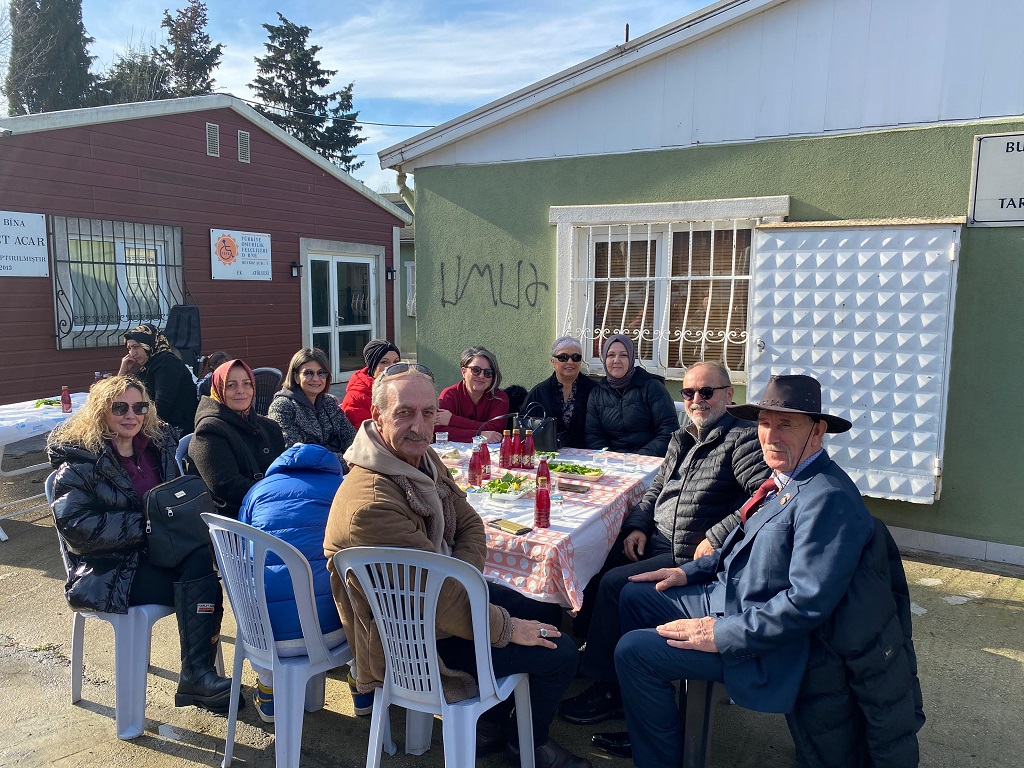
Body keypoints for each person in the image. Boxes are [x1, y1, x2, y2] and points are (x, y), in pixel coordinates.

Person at [324, 364, 592, 768]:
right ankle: (527, 745)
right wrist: (505, 626)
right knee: (560, 651)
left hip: (436, 605)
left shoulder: (418, 457)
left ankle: (490, 728)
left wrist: (458, 575)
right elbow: (439, 601)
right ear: (376, 417)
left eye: (428, 412)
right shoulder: (372, 503)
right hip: (412, 642)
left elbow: (470, 523)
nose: (420, 425)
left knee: (543, 608)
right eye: (405, 413)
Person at [607, 375, 876, 767]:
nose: (771, 435)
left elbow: (805, 605)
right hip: (724, 597)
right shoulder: (784, 479)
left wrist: (719, 633)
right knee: (634, 595)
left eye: (786, 424)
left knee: (633, 652)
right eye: (765, 423)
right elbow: (739, 540)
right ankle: (654, 725)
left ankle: (662, 758)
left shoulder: (827, 497)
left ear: (817, 432)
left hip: (760, 642)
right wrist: (690, 572)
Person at [560, 361, 770, 735]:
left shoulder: (742, 439)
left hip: (688, 552)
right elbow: (654, 491)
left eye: (706, 392)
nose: (697, 400)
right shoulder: (681, 437)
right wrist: (638, 525)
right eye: (689, 393)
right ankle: (595, 656)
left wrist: (718, 534)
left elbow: (763, 497)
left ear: (728, 395)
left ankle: (612, 691)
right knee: (590, 558)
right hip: (657, 537)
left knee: (614, 585)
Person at [47, 375, 233, 713]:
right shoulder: (80, 462)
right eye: (120, 408)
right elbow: (76, 528)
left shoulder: (156, 449)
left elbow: (174, 502)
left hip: (159, 554)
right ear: (101, 411)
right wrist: (148, 525)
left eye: (139, 407)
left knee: (201, 565)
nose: (131, 415)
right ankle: (198, 675)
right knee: (201, 582)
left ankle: (197, 674)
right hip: (110, 569)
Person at [238, 443, 372, 722]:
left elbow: (241, 549)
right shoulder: (344, 490)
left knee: (262, 578)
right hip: (334, 636)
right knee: (360, 584)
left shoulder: (257, 492)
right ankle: (362, 681)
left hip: (264, 637)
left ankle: (269, 689)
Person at [189, 359, 285, 520]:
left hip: (273, 506)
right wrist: (278, 493)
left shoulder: (270, 427)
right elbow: (227, 486)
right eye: (231, 385)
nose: (241, 390)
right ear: (218, 389)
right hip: (237, 521)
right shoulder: (209, 432)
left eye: (247, 383)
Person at [584, 334, 678, 456]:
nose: (616, 360)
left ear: (631, 359)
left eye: (623, 355)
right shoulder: (597, 394)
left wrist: (637, 458)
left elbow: (668, 430)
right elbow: (594, 436)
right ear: (604, 359)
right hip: (612, 462)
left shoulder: (651, 387)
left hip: (649, 460)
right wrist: (609, 458)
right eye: (611, 355)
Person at [268, 348, 356, 465]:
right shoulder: (282, 407)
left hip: (340, 470)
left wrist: (356, 459)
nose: (315, 379)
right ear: (296, 377)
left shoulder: (329, 402)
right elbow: (296, 454)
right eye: (308, 373)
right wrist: (348, 461)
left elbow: (352, 439)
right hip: (304, 475)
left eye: (321, 373)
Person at [117, 323, 198, 436]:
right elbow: (119, 397)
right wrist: (123, 372)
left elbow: (161, 406)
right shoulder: (148, 366)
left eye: (136, 347)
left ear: (149, 344)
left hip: (176, 432)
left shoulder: (167, 363)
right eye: (129, 348)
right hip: (157, 428)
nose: (132, 353)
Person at [523, 337, 596, 449]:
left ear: (580, 361)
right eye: (563, 357)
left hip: (587, 455)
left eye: (576, 357)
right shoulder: (538, 393)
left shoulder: (594, 390)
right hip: (547, 455)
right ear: (553, 361)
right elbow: (523, 428)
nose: (570, 362)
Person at [437, 346, 510, 443]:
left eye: (488, 373)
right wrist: (480, 435)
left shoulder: (500, 398)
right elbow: (439, 433)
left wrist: (452, 420)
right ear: (463, 372)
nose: (481, 376)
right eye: (476, 370)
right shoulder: (449, 395)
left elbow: (495, 432)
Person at [340, 339, 401, 429]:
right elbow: (366, 435)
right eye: (384, 362)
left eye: (396, 362)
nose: (392, 367)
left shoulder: (403, 388)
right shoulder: (356, 398)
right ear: (372, 366)